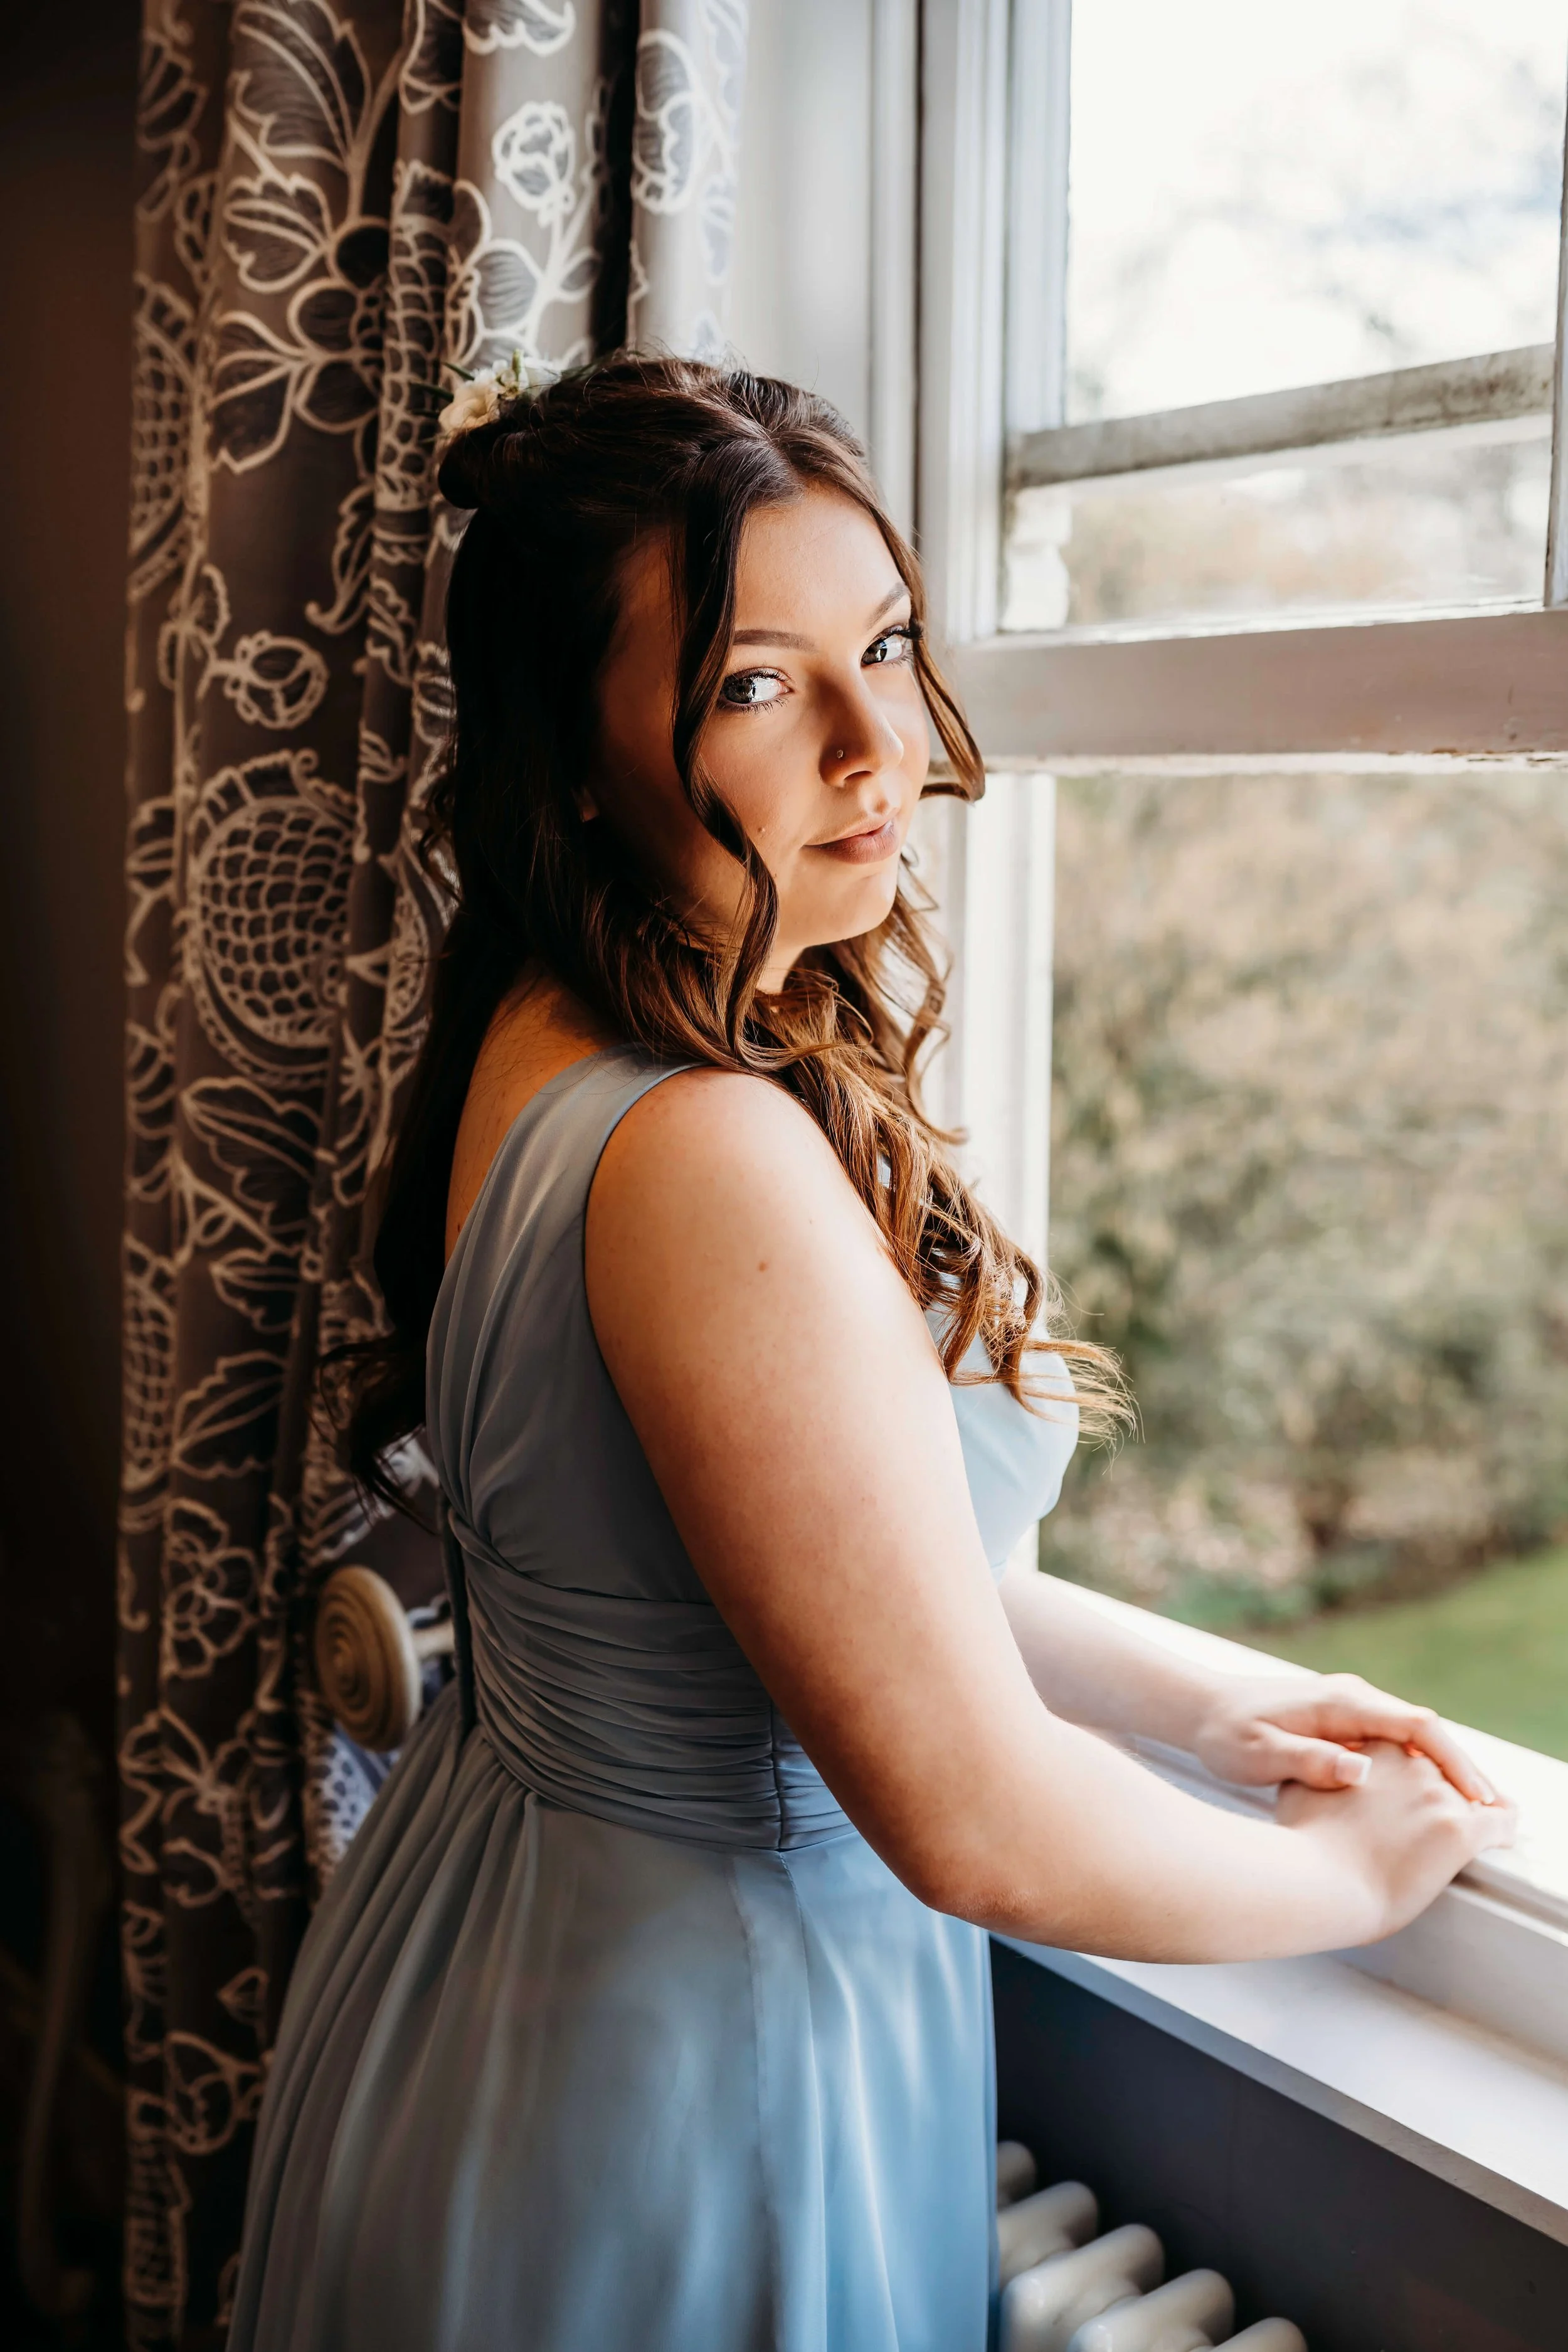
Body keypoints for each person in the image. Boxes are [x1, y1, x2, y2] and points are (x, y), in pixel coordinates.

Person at [229, 355, 1512, 2352]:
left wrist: (1202, 1704)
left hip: (497, 1943)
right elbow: (967, 1810)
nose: (873, 748)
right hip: (690, 2066)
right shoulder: (703, 1147)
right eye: (755, 685)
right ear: (577, 754)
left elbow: (806, 1581)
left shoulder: (539, 1029)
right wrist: (1344, 1889)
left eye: (888, 647)